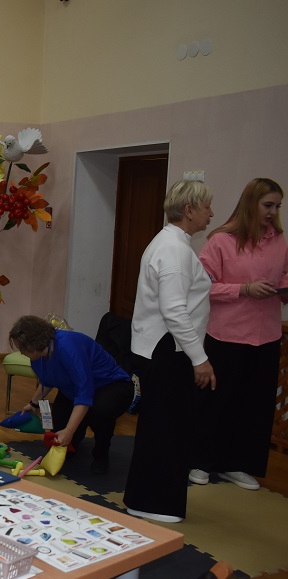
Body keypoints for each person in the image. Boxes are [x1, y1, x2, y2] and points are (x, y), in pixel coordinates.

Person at [124, 179, 215, 523]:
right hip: (168, 349)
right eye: (206, 206)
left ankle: (147, 499)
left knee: (163, 427)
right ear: (189, 210)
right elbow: (174, 310)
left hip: (163, 347)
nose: (211, 213)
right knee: (166, 428)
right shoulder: (174, 249)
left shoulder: (171, 243)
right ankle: (153, 503)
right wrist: (200, 358)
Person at [192, 178, 287, 491]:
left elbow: (284, 275)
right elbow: (202, 286)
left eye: (277, 206)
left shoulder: (279, 241)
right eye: (267, 205)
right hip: (227, 335)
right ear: (250, 203)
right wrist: (243, 289)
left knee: (255, 404)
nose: (272, 212)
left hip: (267, 335)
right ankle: (201, 461)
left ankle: (238, 464)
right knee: (217, 401)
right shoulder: (221, 240)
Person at [9, 316, 132, 474]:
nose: (20, 352)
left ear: (34, 345)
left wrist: (69, 430)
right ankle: (73, 445)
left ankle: (101, 452)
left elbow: (84, 393)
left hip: (110, 385)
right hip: (73, 388)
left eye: (21, 348)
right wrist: (33, 403)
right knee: (60, 426)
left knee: (99, 412)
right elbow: (48, 379)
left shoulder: (67, 348)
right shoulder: (39, 356)